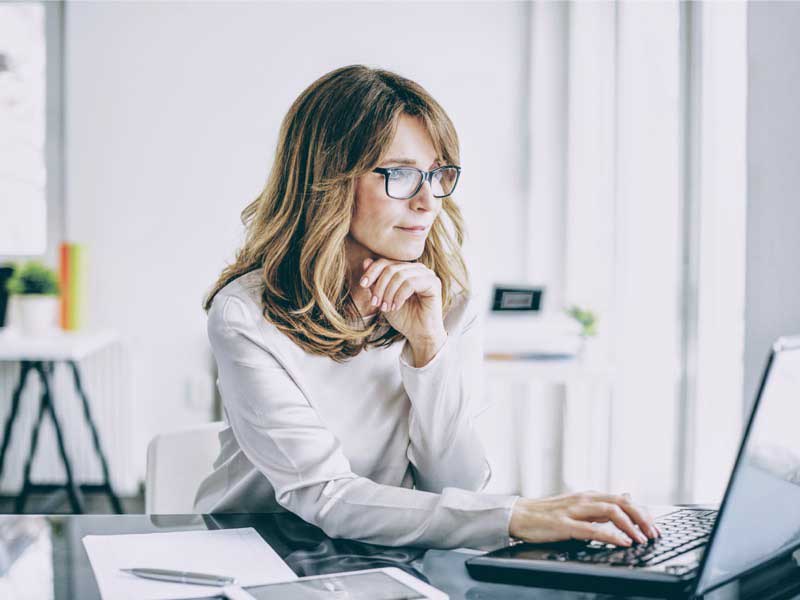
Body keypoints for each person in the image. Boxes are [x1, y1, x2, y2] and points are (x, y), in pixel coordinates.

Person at [194, 65, 659, 550]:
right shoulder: (246, 315)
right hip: (254, 548)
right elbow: (325, 495)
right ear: (329, 180)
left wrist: (429, 348)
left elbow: (455, 486)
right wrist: (517, 514)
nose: (427, 201)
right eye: (399, 174)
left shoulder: (448, 298)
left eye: (437, 175)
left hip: (380, 549)